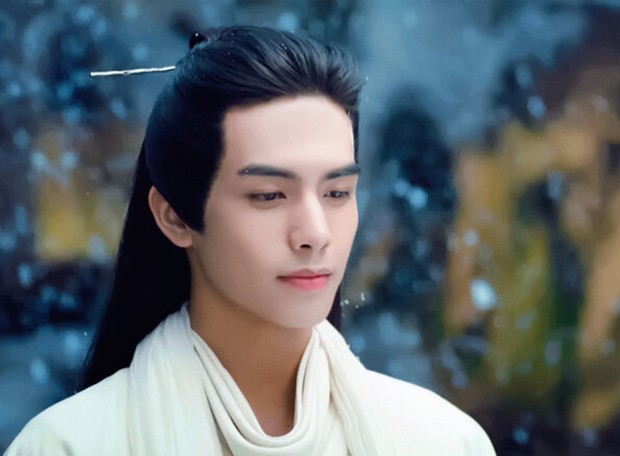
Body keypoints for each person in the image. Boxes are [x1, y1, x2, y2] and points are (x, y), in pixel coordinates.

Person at [6, 25, 495, 455]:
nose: (315, 234)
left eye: (337, 193)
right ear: (175, 216)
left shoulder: (442, 442)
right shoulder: (69, 446)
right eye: (268, 195)